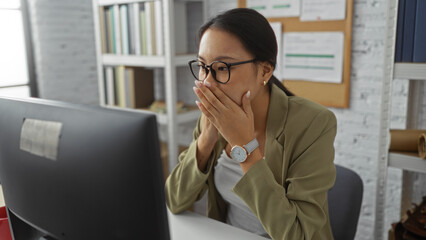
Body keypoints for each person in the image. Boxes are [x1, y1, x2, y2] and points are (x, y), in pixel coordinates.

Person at [165, 8, 337, 240]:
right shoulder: (214, 115)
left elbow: (297, 234)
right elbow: (174, 200)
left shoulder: (313, 123)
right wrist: (206, 141)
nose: (207, 82)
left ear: (265, 70)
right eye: (203, 67)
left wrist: (245, 146)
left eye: (222, 68)